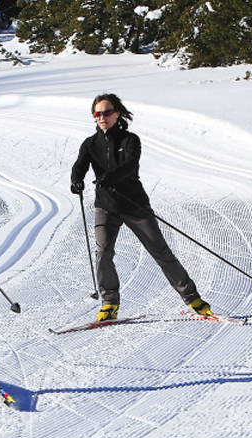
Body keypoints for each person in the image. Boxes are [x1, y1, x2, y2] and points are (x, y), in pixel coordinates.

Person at [70, 93, 214, 322]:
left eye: (107, 112)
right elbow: (79, 166)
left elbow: (130, 165)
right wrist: (76, 180)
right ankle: (109, 304)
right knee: (103, 252)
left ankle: (193, 298)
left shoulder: (130, 140)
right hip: (106, 207)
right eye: (98, 113)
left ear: (117, 113)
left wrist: (110, 177)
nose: (102, 117)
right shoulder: (90, 144)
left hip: (134, 206)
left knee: (161, 252)